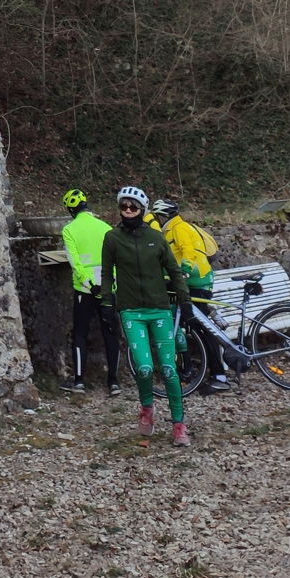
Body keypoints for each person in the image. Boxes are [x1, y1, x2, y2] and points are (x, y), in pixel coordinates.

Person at [101, 185, 193, 447]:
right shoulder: (112, 238)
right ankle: (147, 408)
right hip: (131, 310)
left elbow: (174, 271)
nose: (128, 211)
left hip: (160, 309)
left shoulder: (156, 237)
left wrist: (184, 302)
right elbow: (107, 273)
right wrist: (107, 304)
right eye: (123, 206)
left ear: (143, 210)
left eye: (133, 207)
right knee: (143, 367)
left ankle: (178, 425)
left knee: (168, 369)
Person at [152, 197, 229, 392]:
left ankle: (219, 376)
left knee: (204, 329)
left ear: (164, 215)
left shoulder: (179, 228)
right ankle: (210, 371)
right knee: (199, 326)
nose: (157, 220)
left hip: (197, 280)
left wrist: (184, 270)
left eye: (158, 216)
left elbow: (187, 251)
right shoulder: (171, 229)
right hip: (192, 281)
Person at [59, 188, 122, 396]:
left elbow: (75, 262)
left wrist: (89, 284)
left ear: (70, 208)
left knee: (80, 334)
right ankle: (114, 382)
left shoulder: (69, 229)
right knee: (111, 334)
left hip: (84, 290)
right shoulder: (105, 227)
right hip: (107, 289)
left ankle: (78, 381)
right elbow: (114, 260)